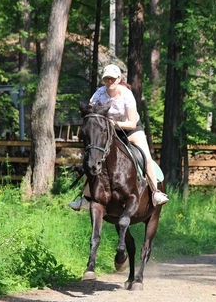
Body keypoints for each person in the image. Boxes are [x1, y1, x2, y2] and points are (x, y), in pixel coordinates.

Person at [70, 64, 169, 209]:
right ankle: (86, 197)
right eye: (106, 79)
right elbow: (91, 113)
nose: (109, 82)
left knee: (146, 156)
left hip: (131, 130)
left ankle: (155, 192)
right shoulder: (99, 94)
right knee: (92, 158)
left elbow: (132, 123)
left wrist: (113, 123)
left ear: (118, 79)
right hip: (110, 132)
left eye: (112, 79)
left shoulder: (127, 95)